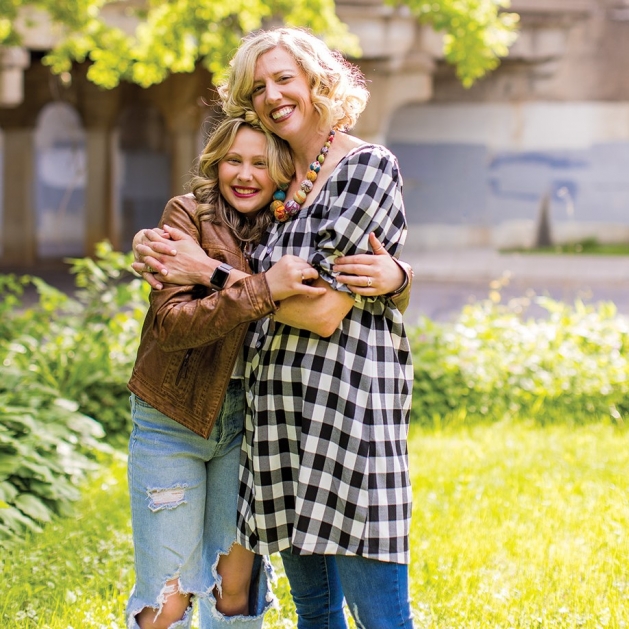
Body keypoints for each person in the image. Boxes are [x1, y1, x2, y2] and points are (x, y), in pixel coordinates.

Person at [133, 26, 415, 629]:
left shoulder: (363, 166)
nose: (272, 94)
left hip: (345, 411)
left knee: (378, 610)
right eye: (257, 86)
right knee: (312, 609)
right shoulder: (278, 184)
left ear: (316, 79)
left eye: (284, 77)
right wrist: (164, 248)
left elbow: (321, 309)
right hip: (275, 415)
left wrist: (204, 271)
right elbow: (215, 247)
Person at [126, 117, 327, 629]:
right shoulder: (187, 215)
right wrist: (263, 289)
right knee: (167, 594)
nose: (244, 174)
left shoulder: (292, 225)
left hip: (252, 422)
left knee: (233, 591)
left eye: (260, 162)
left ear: (282, 170)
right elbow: (172, 324)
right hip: (172, 417)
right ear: (215, 164)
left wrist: (400, 278)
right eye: (233, 160)